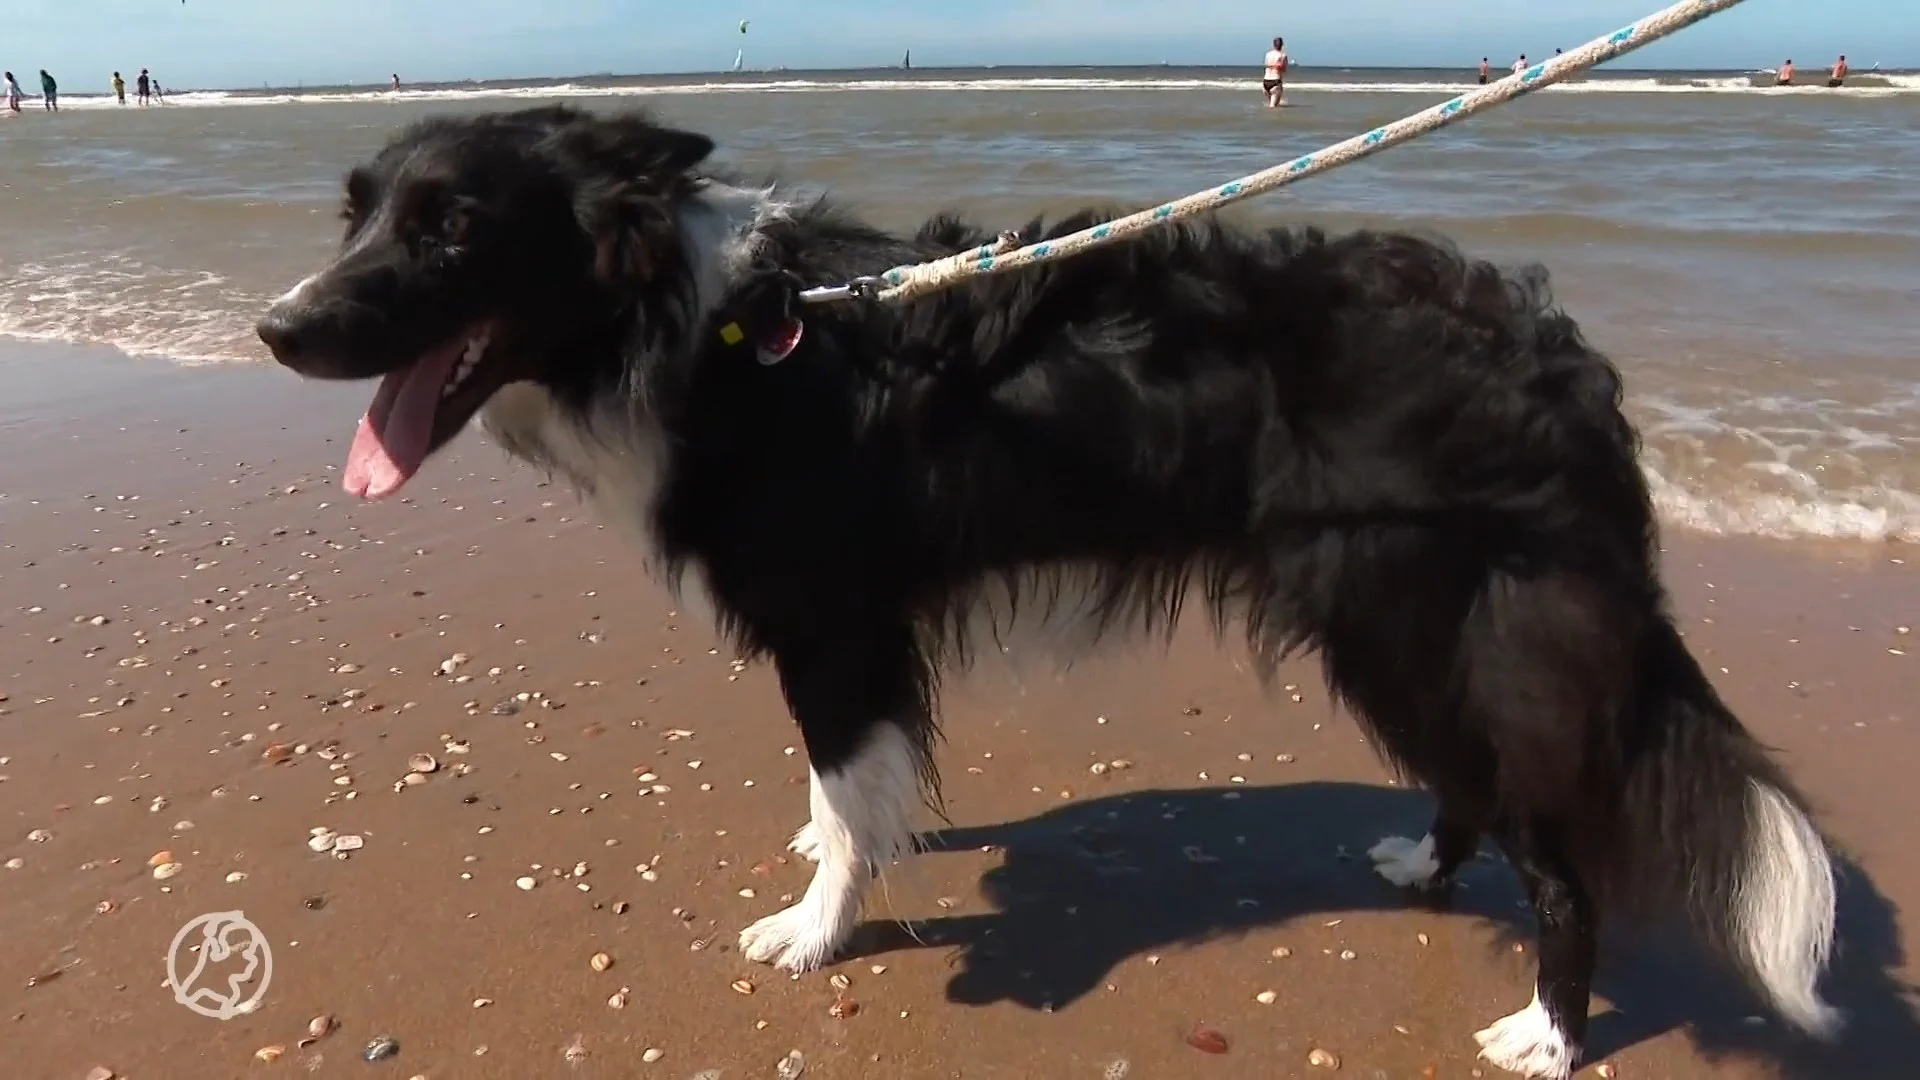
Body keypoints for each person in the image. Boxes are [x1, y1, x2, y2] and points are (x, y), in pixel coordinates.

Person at [1262, 36, 1289, 107]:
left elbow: (1266, 66)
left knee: (1272, 105)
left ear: (1273, 45)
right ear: (1282, 45)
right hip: (1275, 81)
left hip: (1265, 81)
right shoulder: (1283, 55)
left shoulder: (1267, 54)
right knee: (1273, 107)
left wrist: (1272, 66)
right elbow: (1284, 69)